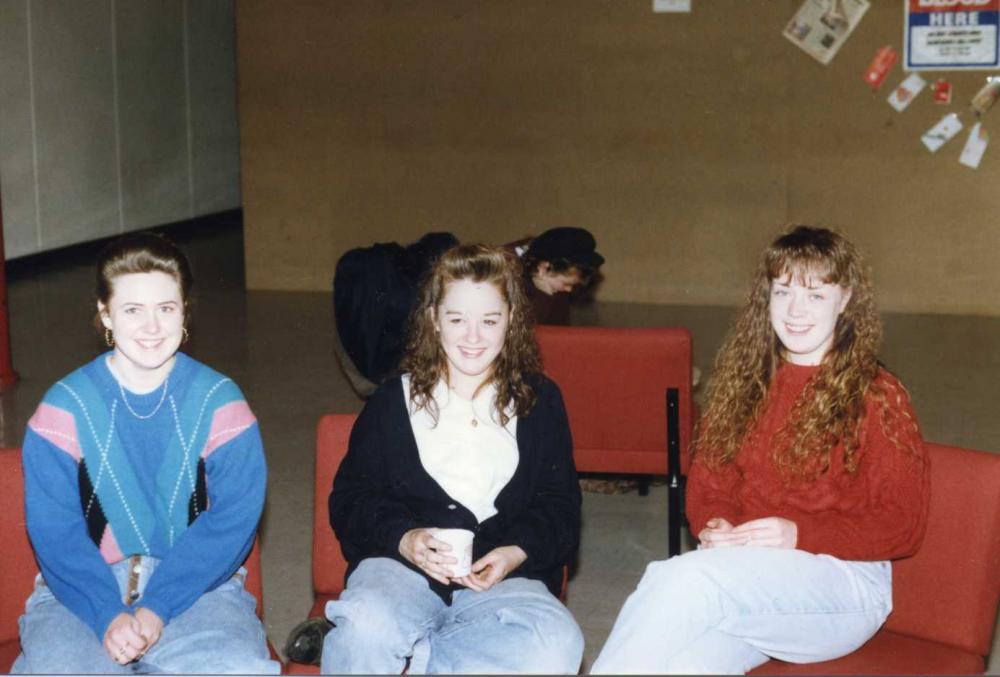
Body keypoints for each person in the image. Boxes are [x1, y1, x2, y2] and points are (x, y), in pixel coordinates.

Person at [590, 225, 930, 674]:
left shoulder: (877, 393)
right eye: (783, 292)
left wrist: (799, 534)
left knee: (681, 578)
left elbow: (904, 524)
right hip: (749, 573)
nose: (795, 310)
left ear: (844, 300)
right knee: (681, 665)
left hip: (845, 586)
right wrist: (716, 524)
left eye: (814, 295)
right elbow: (711, 483)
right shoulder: (743, 381)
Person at [13, 233, 279, 674]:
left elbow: (232, 522)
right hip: (81, 590)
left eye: (166, 309)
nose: (152, 327)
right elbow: (55, 531)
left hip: (197, 586)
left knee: (236, 668)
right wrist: (106, 613)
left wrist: (157, 607)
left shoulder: (221, 403)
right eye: (133, 310)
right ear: (106, 315)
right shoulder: (61, 409)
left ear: (185, 313)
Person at [319, 244, 584, 674]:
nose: (473, 337)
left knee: (557, 646)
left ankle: (423, 653)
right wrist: (406, 539)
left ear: (512, 322)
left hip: (504, 579)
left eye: (489, 321)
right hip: (401, 569)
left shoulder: (541, 400)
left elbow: (561, 508)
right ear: (433, 321)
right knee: (365, 627)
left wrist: (515, 553)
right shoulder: (392, 401)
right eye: (457, 319)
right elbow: (351, 500)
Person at [509, 227, 604, 325]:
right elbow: (521, 333)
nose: (569, 289)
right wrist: (543, 296)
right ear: (543, 269)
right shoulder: (503, 282)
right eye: (566, 283)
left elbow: (559, 332)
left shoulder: (558, 292)